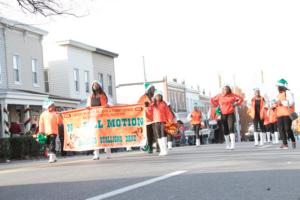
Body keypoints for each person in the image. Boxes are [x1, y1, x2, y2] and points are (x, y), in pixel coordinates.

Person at [211, 85, 244, 150]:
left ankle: (232, 144)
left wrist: (236, 104)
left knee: (231, 128)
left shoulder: (232, 95)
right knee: (225, 129)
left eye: (226, 89)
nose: (224, 90)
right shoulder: (219, 95)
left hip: (230, 113)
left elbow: (241, 98)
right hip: (223, 114)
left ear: (228, 90)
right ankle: (227, 144)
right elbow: (212, 100)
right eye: (223, 89)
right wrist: (216, 104)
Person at [87, 80, 109, 160]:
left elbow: (105, 105)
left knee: (104, 135)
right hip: (94, 119)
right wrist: (87, 108)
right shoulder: (90, 96)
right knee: (95, 136)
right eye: (93, 85)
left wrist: (106, 106)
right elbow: (89, 106)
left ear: (99, 86)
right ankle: (96, 154)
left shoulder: (103, 95)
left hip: (102, 118)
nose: (94, 86)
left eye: (96, 85)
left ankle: (108, 152)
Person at [147, 90, 173, 156]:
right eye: (157, 96)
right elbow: (149, 113)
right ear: (155, 97)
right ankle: (162, 150)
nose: (158, 97)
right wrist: (148, 107)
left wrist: (170, 120)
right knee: (158, 136)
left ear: (161, 97)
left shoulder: (164, 104)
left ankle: (165, 150)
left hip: (163, 121)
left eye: (159, 96)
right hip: (156, 122)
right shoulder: (152, 104)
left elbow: (168, 112)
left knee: (163, 135)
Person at [39, 99, 62, 163]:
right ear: (48, 106)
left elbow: (59, 123)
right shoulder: (43, 114)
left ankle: (51, 157)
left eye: (53, 105)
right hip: (45, 132)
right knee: (47, 144)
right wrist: (41, 131)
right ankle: (54, 156)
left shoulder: (56, 113)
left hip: (53, 131)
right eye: (52, 105)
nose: (53, 107)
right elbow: (41, 123)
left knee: (52, 143)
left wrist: (59, 116)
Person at [275, 79, 296, 149]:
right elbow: (277, 103)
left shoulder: (288, 92)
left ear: (281, 86)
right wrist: (275, 104)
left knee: (287, 129)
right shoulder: (279, 94)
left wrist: (281, 102)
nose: (277, 88)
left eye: (278, 86)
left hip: (287, 113)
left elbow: (291, 102)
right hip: (279, 114)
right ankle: (285, 144)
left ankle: (293, 140)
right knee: (281, 129)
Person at [138, 82, 156, 153]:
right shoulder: (143, 98)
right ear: (149, 90)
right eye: (153, 88)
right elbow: (138, 106)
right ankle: (150, 147)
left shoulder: (154, 97)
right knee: (149, 134)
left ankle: (156, 146)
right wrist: (144, 106)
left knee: (155, 134)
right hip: (147, 119)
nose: (154, 90)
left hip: (155, 118)